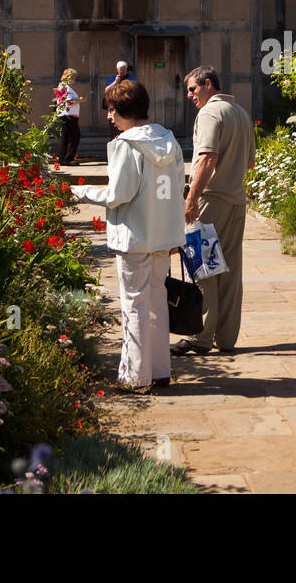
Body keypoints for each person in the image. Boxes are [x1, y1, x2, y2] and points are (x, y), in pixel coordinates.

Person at [72, 80, 184, 391]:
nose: (109, 116)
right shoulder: (169, 140)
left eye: (111, 109)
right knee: (157, 302)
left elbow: (118, 195)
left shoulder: (126, 145)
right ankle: (160, 371)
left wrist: (79, 191)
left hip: (134, 237)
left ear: (124, 110)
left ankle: (135, 376)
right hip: (162, 236)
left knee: (134, 304)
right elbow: (177, 190)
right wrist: (177, 232)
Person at [173, 66, 254, 356]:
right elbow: (248, 163)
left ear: (208, 85)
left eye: (193, 89)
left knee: (204, 270)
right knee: (230, 270)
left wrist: (192, 198)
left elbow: (207, 157)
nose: (190, 95)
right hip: (235, 200)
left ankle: (201, 337)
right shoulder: (241, 114)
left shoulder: (210, 113)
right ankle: (227, 338)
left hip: (209, 202)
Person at [54, 68, 82, 165]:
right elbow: (68, 102)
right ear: (68, 77)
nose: (74, 81)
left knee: (66, 137)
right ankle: (68, 158)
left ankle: (62, 158)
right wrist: (80, 100)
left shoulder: (64, 86)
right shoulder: (64, 87)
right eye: (73, 78)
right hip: (68, 115)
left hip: (67, 114)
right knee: (74, 136)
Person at [103, 61, 135, 144]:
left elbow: (135, 91)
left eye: (124, 69)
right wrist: (116, 82)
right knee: (114, 131)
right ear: (117, 70)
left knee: (126, 131)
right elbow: (106, 91)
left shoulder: (131, 79)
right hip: (114, 109)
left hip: (126, 109)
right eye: (121, 70)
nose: (122, 71)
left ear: (126, 69)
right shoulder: (112, 79)